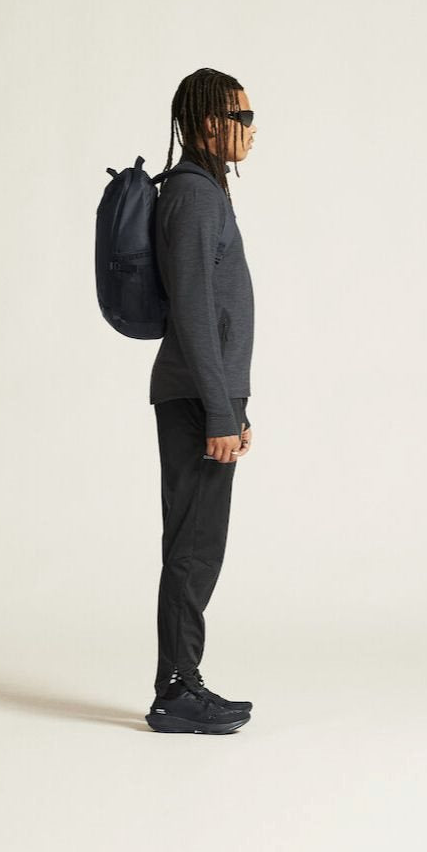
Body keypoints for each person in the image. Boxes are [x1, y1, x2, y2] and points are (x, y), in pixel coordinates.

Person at [144, 68, 258, 735]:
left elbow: (216, 312)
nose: (252, 130)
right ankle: (176, 690)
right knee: (192, 547)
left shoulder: (205, 191)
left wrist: (234, 407)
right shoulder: (192, 196)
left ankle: (182, 682)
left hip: (208, 395)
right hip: (194, 397)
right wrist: (219, 411)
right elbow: (192, 312)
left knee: (201, 545)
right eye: (243, 117)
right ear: (211, 124)